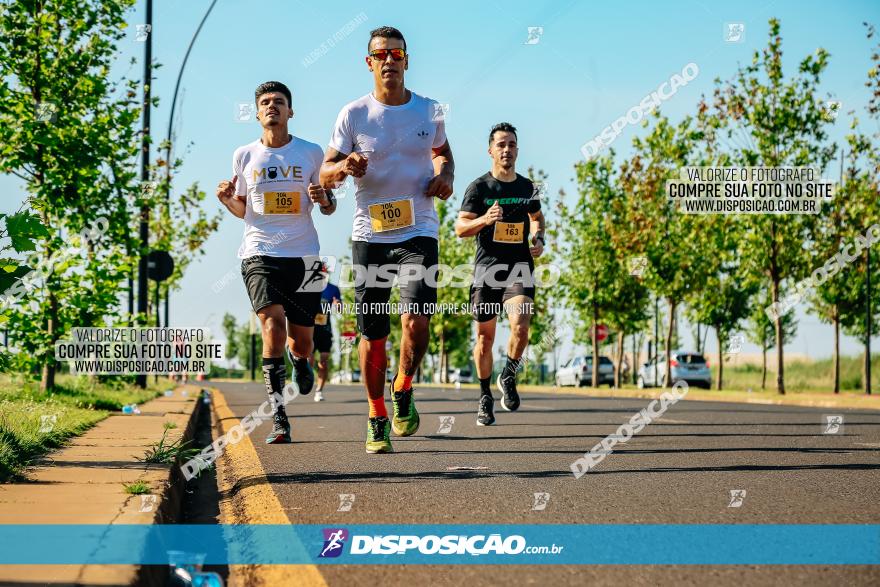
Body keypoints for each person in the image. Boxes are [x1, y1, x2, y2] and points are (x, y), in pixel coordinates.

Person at [320, 26, 454, 453]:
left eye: (397, 53)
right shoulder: (353, 114)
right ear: (370, 62)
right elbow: (324, 172)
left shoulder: (429, 110)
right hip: (370, 234)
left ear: (407, 60)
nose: (390, 60)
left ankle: (404, 386)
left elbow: (443, 152)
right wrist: (344, 168)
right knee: (373, 333)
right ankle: (377, 413)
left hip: (419, 228)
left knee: (417, 319)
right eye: (382, 54)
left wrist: (446, 175)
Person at [216, 81, 336, 444]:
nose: (272, 107)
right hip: (259, 253)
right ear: (257, 113)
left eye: (279, 102)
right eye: (266, 102)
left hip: (305, 256)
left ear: (290, 112)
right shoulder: (244, 155)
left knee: (304, 343)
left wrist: (324, 196)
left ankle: (300, 362)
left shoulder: (312, 153)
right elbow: (243, 209)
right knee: (272, 326)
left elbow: (329, 207)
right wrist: (226, 200)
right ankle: (279, 417)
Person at [454, 122, 545, 425]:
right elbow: (460, 229)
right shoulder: (479, 188)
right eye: (501, 144)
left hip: (519, 266)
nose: (507, 150)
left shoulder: (527, 187)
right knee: (485, 338)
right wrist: (484, 218)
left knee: (520, 326)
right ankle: (484, 396)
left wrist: (538, 237)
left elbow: (537, 218)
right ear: (490, 150)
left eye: (512, 145)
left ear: (517, 150)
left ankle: (508, 374)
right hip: (487, 270)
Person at [311, 280, 342, 401]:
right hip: (310, 329)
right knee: (309, 360)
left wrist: (337, 304)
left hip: (325, 330)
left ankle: (319, 391)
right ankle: (306, 380)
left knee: (323, 361)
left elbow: (340, 309)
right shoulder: (308, 286)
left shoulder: (333, 288)